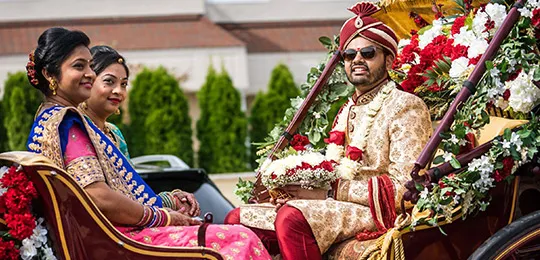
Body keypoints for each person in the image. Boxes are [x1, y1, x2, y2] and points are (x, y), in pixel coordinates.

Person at [25, 27, 271, 260]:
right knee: (239, 237)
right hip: (117, 241)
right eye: (79, 66)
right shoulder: (68, 122)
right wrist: (162, 217)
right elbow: (97, 195)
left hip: (110, 235)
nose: (89, 73)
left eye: (90, 66)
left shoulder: (49, 119)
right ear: (49, 74)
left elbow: (113, 193)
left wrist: (167, 205)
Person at [224, 2, 433, 259]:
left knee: (292, 218)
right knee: (239, 218)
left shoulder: (406, 106)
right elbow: (333, 170)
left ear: (389, 60)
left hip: (376, 211)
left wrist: (329, 192)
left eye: (368, 53)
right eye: (349, 55)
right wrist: (296, 190)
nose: (357, 60)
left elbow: (406, 188)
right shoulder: (346, 109)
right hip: (336, 204)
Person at [81, 45, 198, 216]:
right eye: (109, 81)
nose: (118, 91)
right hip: (109, 232)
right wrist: (164, 216)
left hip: (134, 222)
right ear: (87, 82)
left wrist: (172, 200)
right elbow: (103, 199)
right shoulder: (78, 130)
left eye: (124, 84)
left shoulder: (114, 135)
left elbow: (132, 195)